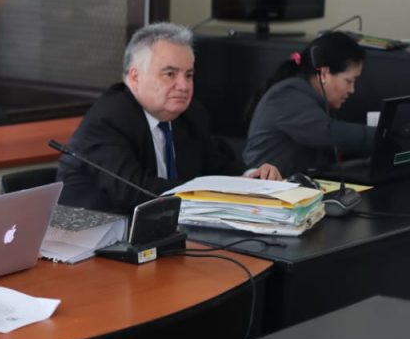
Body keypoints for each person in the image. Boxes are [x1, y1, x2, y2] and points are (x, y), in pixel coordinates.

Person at [57, 22, 280, 214]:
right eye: (170, 74)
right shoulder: (109, 119)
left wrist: (252, 177)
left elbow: (215, 165)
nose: (183, 86)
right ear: (135, 77)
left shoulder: (191, 114)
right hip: (95, 236)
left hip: (160, 231)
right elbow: (135, 190)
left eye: (189, 75)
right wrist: (212, 192)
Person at [244, 32, 373, 176]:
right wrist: (381, 135)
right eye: (349, 81)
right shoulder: (287, 96)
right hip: (264, 186)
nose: (352, 90)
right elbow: (328, 133)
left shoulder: (308, 96)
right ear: (323, 74)